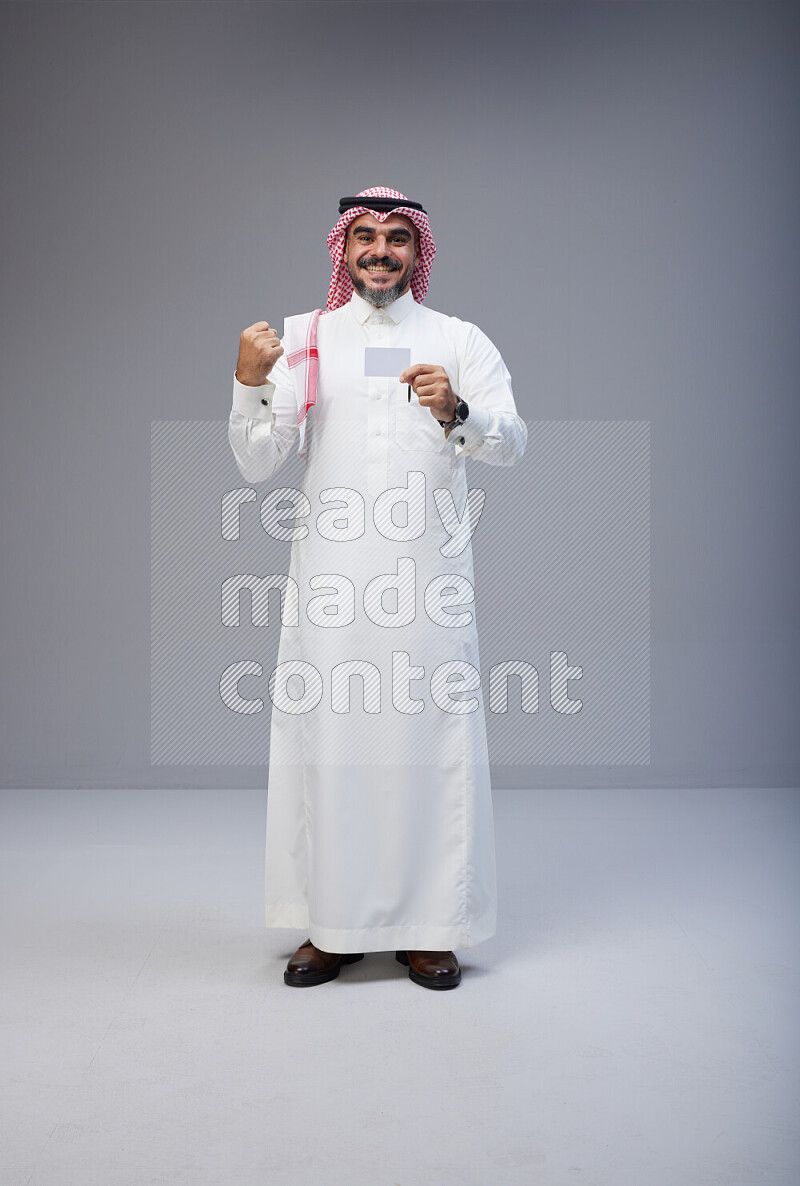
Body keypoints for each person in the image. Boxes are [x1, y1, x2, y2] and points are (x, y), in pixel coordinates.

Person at [228, 186, 526, 989]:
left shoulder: (458, 339)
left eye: (398, 238)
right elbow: (257, 461)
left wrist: (456, 411)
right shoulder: (305, 338)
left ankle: (432, 928)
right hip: (331, 583)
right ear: (342, 249)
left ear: (419, 252)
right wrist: (248, 382)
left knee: (429, 743)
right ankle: (332, 926)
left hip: (427, 580)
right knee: (331, 744)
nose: (381, 251)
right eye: (366, 237)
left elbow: (511, 442)